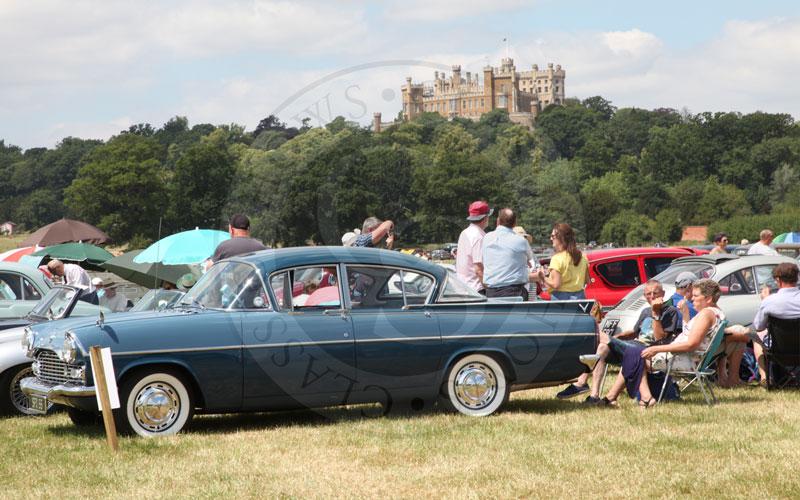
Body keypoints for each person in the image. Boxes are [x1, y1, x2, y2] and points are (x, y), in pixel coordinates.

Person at [556, 280, 680, 402]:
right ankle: (594, 395)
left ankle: (581, 382)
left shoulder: (671, 312)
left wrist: (656, 313)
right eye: (648, 294)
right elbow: (634, 332)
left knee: (599, 335)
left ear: (663, 294)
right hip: (633, 346)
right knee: (602, 347)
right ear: (644, 296)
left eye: (655, 293)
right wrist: (616, 338)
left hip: (648, 351)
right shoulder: (645, 311)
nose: (652, 296)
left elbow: (660, 339)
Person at [637, 279, 726, 407]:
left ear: (708, 299)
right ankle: (632, 397)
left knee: (636, 357)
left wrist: (657, 349)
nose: (692, 299)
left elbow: (691, 344)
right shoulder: (717, 313)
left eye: (696, 296)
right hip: (690, 358)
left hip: (683, 359)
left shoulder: (706, 314)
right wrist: (685, 312)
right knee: (634, 354)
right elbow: (688, 334)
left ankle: (644, 398)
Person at [728, 262, 800, 384]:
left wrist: (765, 300)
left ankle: (765, 377)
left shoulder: (770, 301)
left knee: (756, 338)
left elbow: (758, 327)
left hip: (778, 350)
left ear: (778, 280)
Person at [481, 208, 537, 300]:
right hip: (515, 292)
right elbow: (530, 259)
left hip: (491, 292)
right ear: (515, 223)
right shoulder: (521, 241)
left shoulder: (486, 238)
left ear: (498, 221)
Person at [539, 223, 589, 300]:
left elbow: (556, 285)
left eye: (553, 236)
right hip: (580, 298)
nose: (551, 239)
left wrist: (543, 278)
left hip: (562, 301)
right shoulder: (582, 257)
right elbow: (587, 281)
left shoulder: (556, 259)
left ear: (561, 238)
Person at [456, 200, 493, 293]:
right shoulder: (479, 237)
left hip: (463, 287)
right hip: (477, 289)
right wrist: (490, 289)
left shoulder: (464, 232)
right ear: (485, 218)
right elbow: (479, 269)